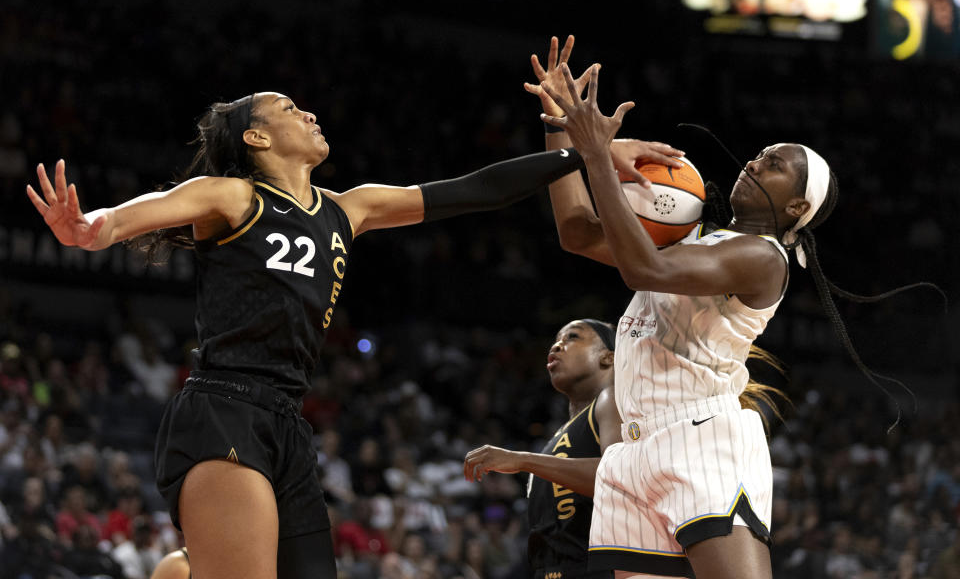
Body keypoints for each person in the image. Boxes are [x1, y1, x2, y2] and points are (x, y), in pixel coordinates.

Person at [26, 90, 651, 578]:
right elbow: (133, 215)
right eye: (289, 109)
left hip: (288, 424)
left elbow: (472, 191)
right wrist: (91, 228)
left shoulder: (350, 208)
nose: (309, 112)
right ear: (257, 136)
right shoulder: (229, 195)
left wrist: (586, 155)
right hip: (225, 407)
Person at [528, 38, 937, 579]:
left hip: (702, 437)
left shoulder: (765, 260)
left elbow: (644, 271)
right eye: (761, 153)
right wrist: (560, 127)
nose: (755, 160)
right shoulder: (692, 235)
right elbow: (577, 234)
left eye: (773, 165)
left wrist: (599, 154)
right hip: (633, 448)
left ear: (796, 207)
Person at [464, 318, 620, 579]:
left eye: (572, 337)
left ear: (607, 357)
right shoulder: (561, 434)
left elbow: (618, 478)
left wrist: (523, 460)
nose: (556, 346)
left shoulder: (612, 400)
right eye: (556, 340)